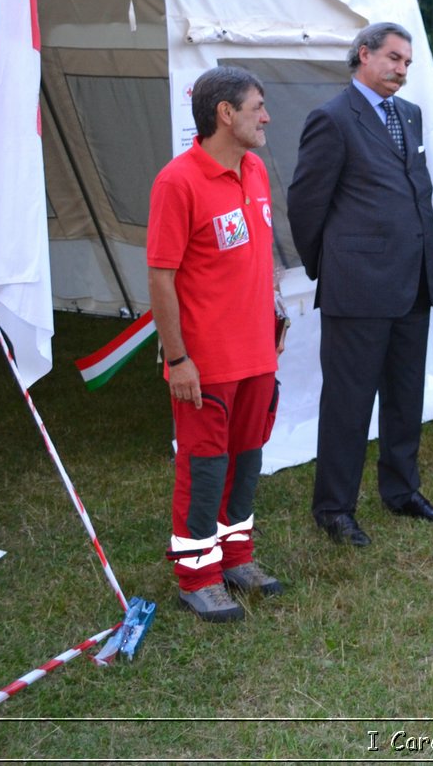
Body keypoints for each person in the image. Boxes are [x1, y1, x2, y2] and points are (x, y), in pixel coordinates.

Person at [288, 22, 433, 547]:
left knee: (405, 397)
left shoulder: (411, 115)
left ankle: (402, 491)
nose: (402, 70)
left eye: (407, 63)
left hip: (412, 283)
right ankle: (334, 507)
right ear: (363, 55)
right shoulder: (332, 118)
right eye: (394, 58)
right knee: (349, 403)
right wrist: (328, 268)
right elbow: (306, 204)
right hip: (357, 288)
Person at [147, 66, 284, 622]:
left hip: (256, 354)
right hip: (205, 363)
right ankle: (197, 575)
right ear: (225, 114)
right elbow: (160, 277)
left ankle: (236, 556)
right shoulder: (177, 182)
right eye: (257, 106)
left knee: (247, 461)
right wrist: (178, 358)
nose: (266, 116)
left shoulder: (254, 169)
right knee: (204, 467)